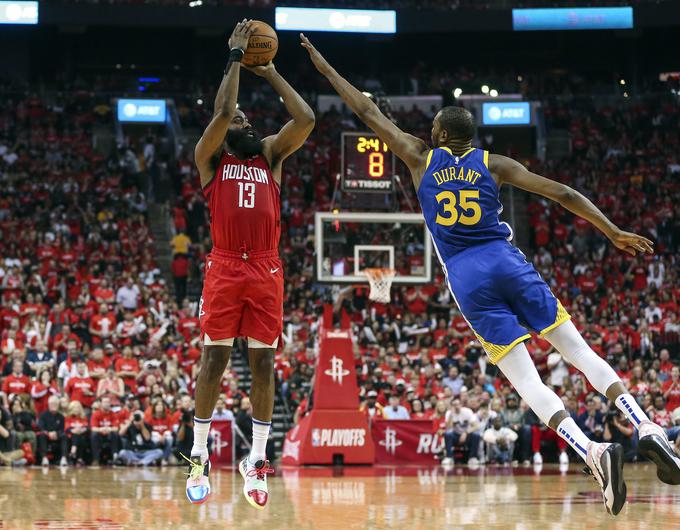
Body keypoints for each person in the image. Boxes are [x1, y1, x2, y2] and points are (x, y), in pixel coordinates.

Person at [301, 34, 678, 515]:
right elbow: (561, 192)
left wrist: (324, 66)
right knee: (579, 351)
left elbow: (367, 112)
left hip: (467, 277)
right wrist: (611, 230)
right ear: (470, 138)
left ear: (438, 135)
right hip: (506, 260)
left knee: (527, 381)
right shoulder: (493, 163)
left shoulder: (419, 159)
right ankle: (645, 424)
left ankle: (593, 451)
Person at [186, 20, 314, 509]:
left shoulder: (271, 158)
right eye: (237, 121)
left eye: (246, 121)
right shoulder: (209, 160)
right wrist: (236, 58)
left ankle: (257, 460)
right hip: (224, 267)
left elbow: (304, 119)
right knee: (214, 360)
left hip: (265, 269)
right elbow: (222, 109)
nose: (243, 122)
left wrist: (273, 72)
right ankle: (199, 454)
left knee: (264, 363)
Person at [442, 398, 481, 466]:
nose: (456, 406)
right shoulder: (449, 413)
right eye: (454, 405)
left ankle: (472, 458)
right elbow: (448, 428)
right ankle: (449, 457)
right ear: (452, 406)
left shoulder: (467, 411)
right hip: (455, 436)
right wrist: (451, 415)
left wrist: (466, 433)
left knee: (476, 435)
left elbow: (476, 426)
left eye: (458, 404)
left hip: (467, 435)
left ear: (461, 404)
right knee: (447, 434)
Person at [90, 396, 121, 465]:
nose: (107, 404)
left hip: (109, 434)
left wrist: (109, 429)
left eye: (108, 402)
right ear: (101, 404)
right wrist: (101, 429)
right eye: (105, 402)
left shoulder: (113, 414)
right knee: (94, 434)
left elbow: (116, 428)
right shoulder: (96, 414)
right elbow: (93, 428)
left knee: (115, 434)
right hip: (99, 435)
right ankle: (96, 459)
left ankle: (115, 457)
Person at [37, 395, 66, 467]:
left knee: (64, 436)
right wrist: (48, 433)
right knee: (42, 435)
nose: (54, 406)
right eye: (52, 404)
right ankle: (44, 458)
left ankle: (64, 458)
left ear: (58, 405)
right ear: (49, 404)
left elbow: (62, 429)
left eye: (55, 404)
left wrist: (56, 433)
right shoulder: (43, 415)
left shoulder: (61, 417)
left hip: (57, 435)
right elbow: (40, 427)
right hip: (46, 434)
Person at [64, 400, 90, 465]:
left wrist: (81, 430)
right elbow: (66, 428)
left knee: (81, 437)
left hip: (81, 435)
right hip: (70, 436)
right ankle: (79, 458)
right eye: (74, 408)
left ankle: (73, 451)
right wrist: (73, 430)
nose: (76, 409)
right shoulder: (68, 418)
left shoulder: (84, 418)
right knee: (76, 435)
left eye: (78, 408)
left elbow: (87, 427)